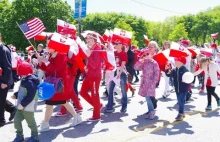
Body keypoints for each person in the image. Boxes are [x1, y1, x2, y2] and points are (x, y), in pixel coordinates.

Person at [38, 37, 82, 132]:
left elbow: (57, 70)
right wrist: (40, 63)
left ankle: (46, 124)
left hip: (59, 83)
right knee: (56, 102)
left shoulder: (61, 55)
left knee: (60, 102)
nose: (47, 46)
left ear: (55, 46)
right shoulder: (50, 55)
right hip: (51, 83)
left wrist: (45, 61)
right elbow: (48, 70)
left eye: (49, 44)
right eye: (47, 44)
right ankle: (75, 117)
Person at [12, 62, 40, 142]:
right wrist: (16, 95)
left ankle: (35, 136)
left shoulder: (30, 82)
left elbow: (30, 95)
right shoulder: (24, 79)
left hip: (28, 106)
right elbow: (21, 90)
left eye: (21, 74)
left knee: (31, 122)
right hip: (21, 105)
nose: (21, 76)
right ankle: (19, 135)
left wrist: (22, 104)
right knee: (16, 120)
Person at [80, 33, 103, 121]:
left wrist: (89, 56)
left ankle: (96, 115)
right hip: (90, 75)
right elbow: (91, 64)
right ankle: (98, 106)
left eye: (88, 38)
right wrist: (86, 66)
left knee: (94, 94)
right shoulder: (92, 48)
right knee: (82, 92)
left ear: (93, 39)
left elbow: (95, 65)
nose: (86, 40)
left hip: (95, 76)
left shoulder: (97, 48)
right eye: (86, 38)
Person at [134, 48, 160, 119]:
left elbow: (157, 74)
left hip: (151, 82)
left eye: (147, 54)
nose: (146, 56)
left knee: (148, 97)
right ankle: (150, 110)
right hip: (145, 82)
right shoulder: (144, 62)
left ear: (151, 54)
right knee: (147, 97)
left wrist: (154, 83)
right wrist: (140, 61)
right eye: (144, 54)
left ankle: (152, 111)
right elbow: (136, 68)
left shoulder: (154, 63)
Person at [105, 39, 128, 113]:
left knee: (123, 90)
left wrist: (119, 73)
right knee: (110, 89)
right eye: (115, 43)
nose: (116, 45)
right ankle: (110, 106)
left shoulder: (124, 53)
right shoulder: (113, 52)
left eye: (118, 43)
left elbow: (123, 64)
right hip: (113, 72)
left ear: (121, 45)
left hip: (121, 72)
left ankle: (124, 106)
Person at [0, 33, 16, 127]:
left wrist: (4, 82)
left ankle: (1, 120)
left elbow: (8, 67)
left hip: (3, 80)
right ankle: (12, 108)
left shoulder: (3, 49)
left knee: (0, 101)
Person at [165, 56, 189, 121]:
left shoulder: (185, 70)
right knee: (180, 101)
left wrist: (186, 80)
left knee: (181, 101)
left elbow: (190, 79)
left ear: (181, 62)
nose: (175, 62)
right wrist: (167, 70)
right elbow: (168, 75)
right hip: (177, 88)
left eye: (176, 60)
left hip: (183, 88)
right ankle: (183, 112)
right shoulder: (174, 69)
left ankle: (180, 114)